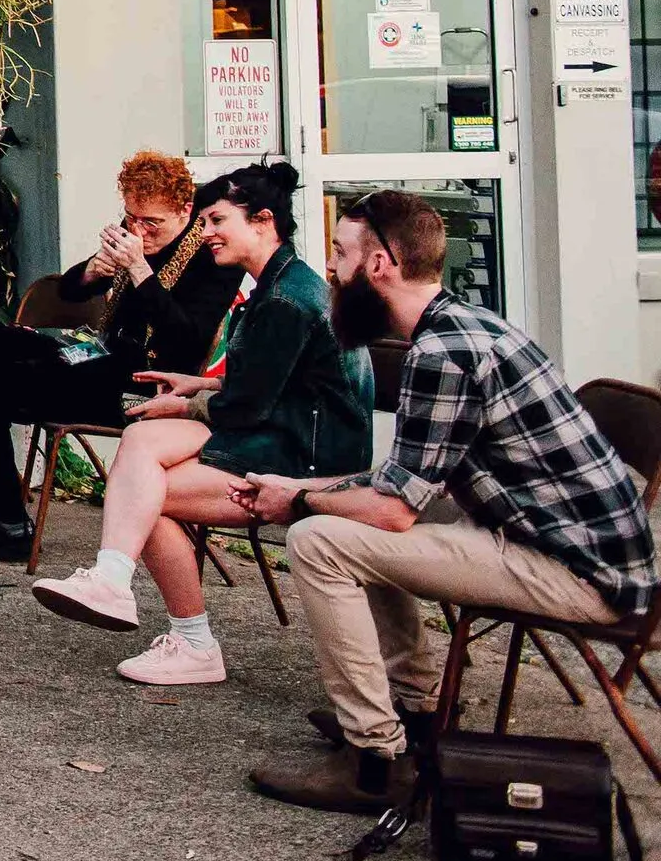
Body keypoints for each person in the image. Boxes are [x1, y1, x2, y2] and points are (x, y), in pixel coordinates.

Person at [240, 191, 660, 812]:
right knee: (349, 521)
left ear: (379, 264)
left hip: (578, 573)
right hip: (561, 543)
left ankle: (374, 761)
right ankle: (418, 713)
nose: (329, 267)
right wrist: (304, 489)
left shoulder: (442, 352)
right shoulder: (461, 323)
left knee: (318, 540)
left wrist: (298, 502)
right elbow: (402, 484)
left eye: (339, 253)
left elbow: (392, 510)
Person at [28, 160, 371, 690]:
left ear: (262, 221)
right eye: (204, 221)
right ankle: (112, 580)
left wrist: (187, 404)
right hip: (285, 429)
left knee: (147, 495)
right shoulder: (282, 282)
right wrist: (198, 384)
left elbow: (249, 406)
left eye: (216, 221)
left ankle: (190, 640)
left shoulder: (284, 299)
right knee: (142, 444)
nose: (205, 232)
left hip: (305, 457)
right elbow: (278, 382)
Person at [0, 152, 243, 564]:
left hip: (145, 385)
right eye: (131, 218)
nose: (139, 230)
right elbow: (70, 291)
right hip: (98, 354)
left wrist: (139, 269)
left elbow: (186, 338)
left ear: (185, 211)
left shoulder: (211, 258)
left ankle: (0, 513)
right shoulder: (138, 232)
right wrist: (93, 271)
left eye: (152, 222)